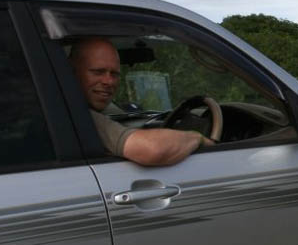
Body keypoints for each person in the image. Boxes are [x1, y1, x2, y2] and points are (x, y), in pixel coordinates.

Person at [69, 37, 213, 166]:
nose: (109, 81)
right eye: (98, 72)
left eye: (114, 74)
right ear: (71, 72)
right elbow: (152, 149)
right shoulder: (78, 117)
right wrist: (197, 138)